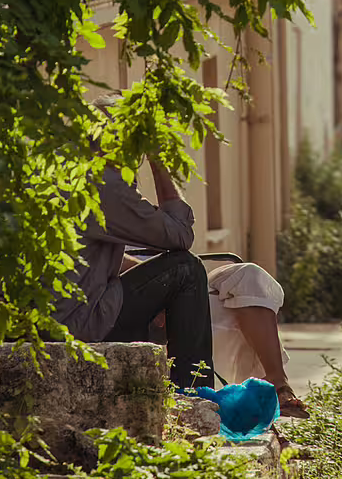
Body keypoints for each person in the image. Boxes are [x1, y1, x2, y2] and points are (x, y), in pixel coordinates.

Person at [56, 151, 309, 416]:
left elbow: (108, 261)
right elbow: (180, 232)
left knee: (248, 277)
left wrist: (156, 287)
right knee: (186, 268)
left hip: (137, 289)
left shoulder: (87, 183)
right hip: (97, 314)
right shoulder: (101, 185)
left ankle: (276, 386)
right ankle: (195, 403)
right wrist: (159, 162)